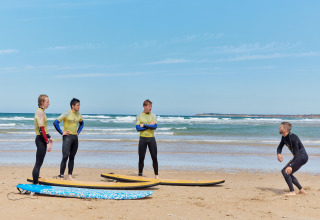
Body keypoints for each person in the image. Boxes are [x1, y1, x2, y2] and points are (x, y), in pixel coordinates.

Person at [53, 98, 84, 180]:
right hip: (67, 137)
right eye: (78, 105)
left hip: (75, 138)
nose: (79, 107)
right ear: (72, 106)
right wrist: (61, 132)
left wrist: (78, 132)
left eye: (79, 105)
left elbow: (82, 123)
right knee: (65, 156)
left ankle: (70, 175)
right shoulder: (66, 113)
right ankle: (61, 176)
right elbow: (55, 122)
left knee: (72, 157)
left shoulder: (79, 115)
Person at [277, 122, 308, 196]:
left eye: (280, 127)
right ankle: (301, 190)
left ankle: (292, 191)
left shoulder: (293, 138)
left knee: (285, 171)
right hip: (298, 156)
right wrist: (278, 153)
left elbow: (297, 154)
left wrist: (290, 165)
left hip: (301, 156)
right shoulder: (284, 137)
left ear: (285, 129)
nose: (279, 128)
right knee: (287, 172)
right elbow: (280, 147)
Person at [32, 94, 53, 184]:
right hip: (40, 140)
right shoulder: (40, 112)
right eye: (47, 102)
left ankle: (36, 180)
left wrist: (49, 137)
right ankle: (35, 183)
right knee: (38, 163)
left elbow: (44, 130)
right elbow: (41, 130)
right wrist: (46, 141)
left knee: (39, 162)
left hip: (41, 139)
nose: (49, 103)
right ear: (42, 102)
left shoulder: (41, 111)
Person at [135, 99, 159, 178]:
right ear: (144, 106)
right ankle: (140, 175)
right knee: (141, 158)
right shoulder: (139, 116)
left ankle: (156, 175)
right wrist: (149, 126)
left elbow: (154, 127)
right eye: (149, 106)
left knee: (154, 157)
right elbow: (138, 128)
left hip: (151, 139)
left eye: (151, 106)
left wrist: (144, 125)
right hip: (142, 139)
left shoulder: (153, 115)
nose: (150, 108)